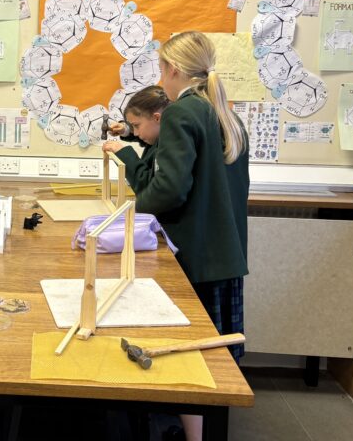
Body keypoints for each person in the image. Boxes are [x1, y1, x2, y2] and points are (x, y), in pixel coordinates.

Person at [103, 31, 249, 441]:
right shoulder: (221, 110)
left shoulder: (182, 112)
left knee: (193, 353)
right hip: (224, 253)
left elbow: (168, 190)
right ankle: (200, 431)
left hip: (196, 255)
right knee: (213, 353)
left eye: (160, 69)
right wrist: (131, 136)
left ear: (171, 69)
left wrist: (140, 206)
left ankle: (193, 434)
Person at [103, 85, 170, 193]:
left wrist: (123, 154)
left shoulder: (168, 148)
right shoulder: (164, 136)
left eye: (136, 125)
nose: (136, 133)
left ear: (157, 118)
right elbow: (150, 139)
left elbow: (149, 188)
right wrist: (126, 130)